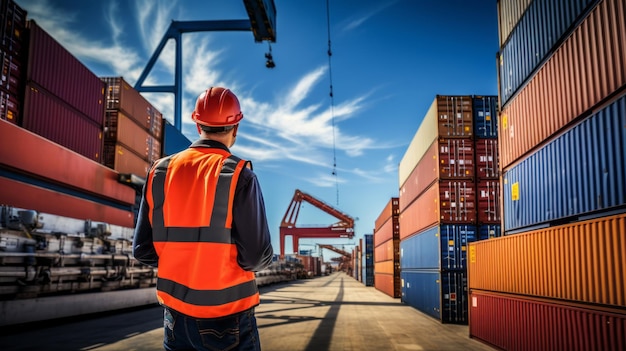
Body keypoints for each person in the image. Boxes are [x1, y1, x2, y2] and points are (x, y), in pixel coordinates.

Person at [133, 86, 274, 351]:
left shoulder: (159, 172)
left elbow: (142, 250)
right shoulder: (240, 175)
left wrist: (183, 263)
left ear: (198, 126)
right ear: (236, 128)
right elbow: (256, 257)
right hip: (227, 318)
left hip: (175, 317)